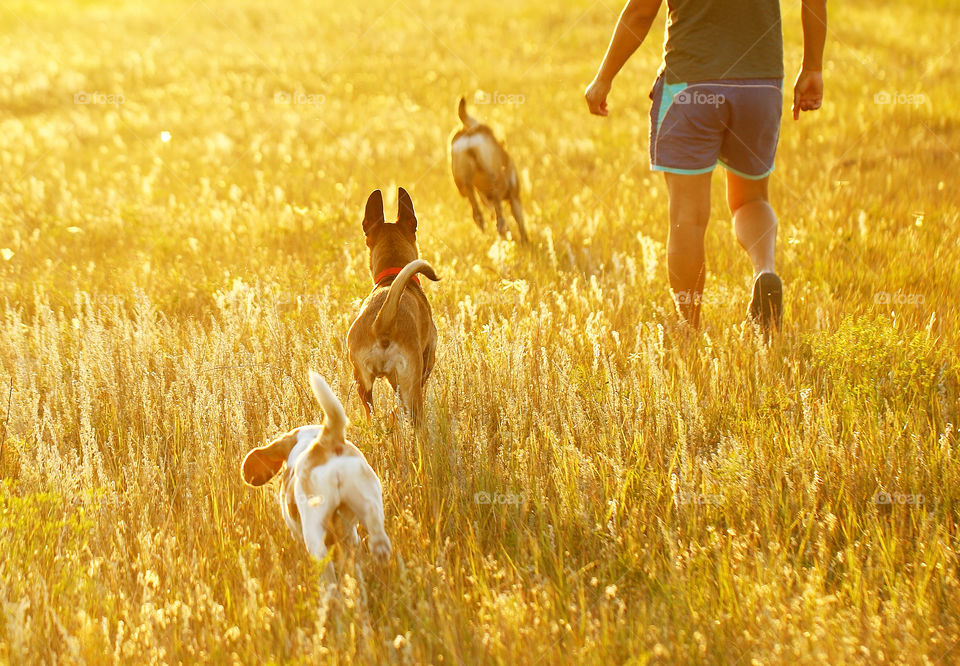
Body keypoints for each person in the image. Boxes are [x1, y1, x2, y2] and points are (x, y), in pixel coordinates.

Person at [585, 0, 826, 336]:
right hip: (760, 85)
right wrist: (812, 66)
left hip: (691, 84)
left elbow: (640, 12)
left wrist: (603, 78)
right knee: (751, 199)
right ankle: (764, 270)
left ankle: (690, 329)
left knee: (688, 215)